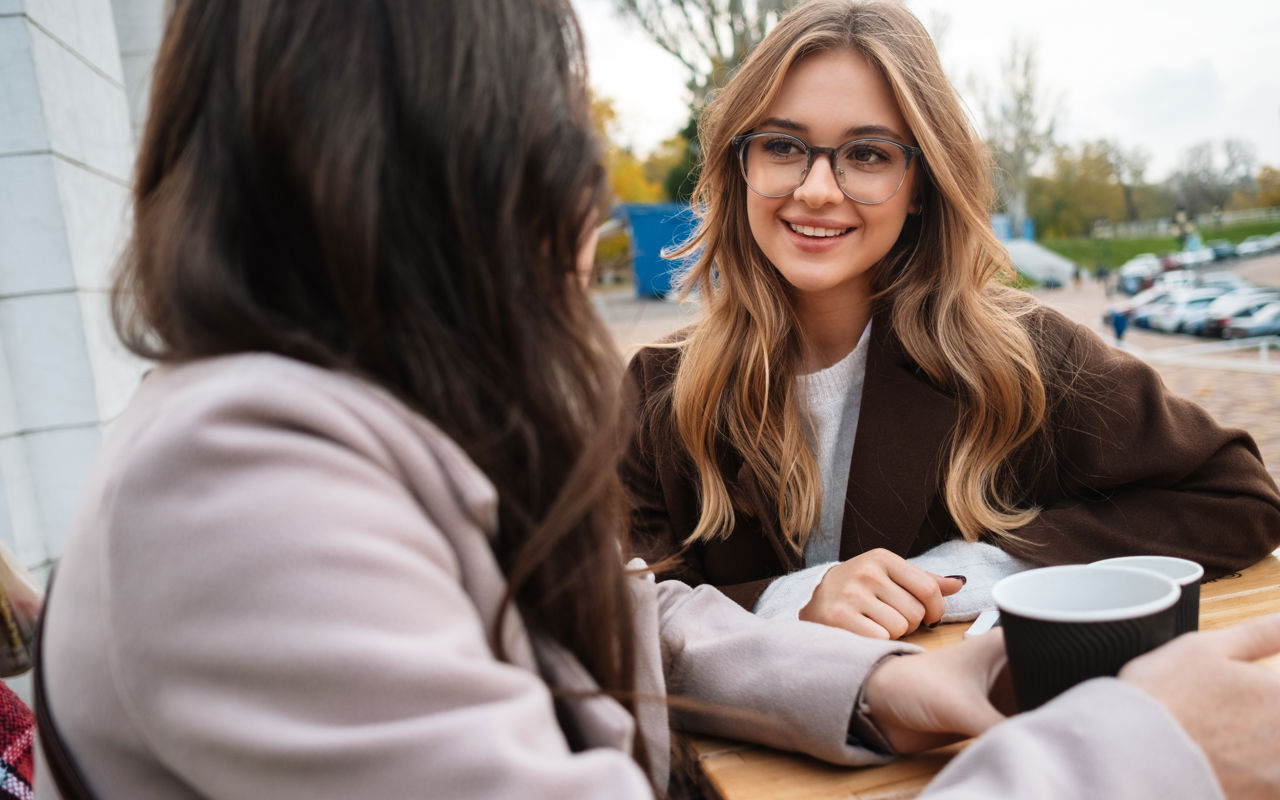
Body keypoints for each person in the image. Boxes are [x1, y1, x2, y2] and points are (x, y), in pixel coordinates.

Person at [32, 2, 1280, 799]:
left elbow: (621, 614)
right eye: (553, 134)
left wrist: (875, 678)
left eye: (866, 151)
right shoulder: (248, 491)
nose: (585, 197)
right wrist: (1139, 749)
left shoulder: (347, 432)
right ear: (444, 169)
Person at [621, 0, 1280, 640]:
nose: (817, 189)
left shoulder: (1025, 356)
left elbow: (1238, 499)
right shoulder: (658, 393)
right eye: (782, 145)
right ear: (739, 167)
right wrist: (791, 604)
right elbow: (621, 617)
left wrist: (964, 575)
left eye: (868, 154)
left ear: (921, 185)